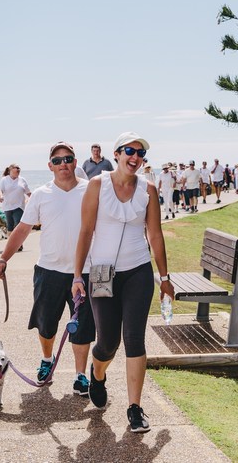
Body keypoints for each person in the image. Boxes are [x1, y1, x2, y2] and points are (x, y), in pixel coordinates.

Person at [72, 131, 174, 433]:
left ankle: (134, 408)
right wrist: (78, 276)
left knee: (134, 339)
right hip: (101, 274)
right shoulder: (97, 185)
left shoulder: (148, 189)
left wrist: (165, 278)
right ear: (116, 154)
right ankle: (98, 374)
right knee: (107, 342)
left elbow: (154, 234)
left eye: (141, 153)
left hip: (138, 273)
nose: (135, 157)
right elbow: (86, 231)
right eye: (129, 150)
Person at [0, 142, 96, 397]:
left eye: (68, 159)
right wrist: (4, 258)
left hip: (84, 272)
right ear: (50, 166)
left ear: (75, 162)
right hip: (49, 271)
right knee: (46, 325)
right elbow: (23, 229)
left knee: (82, 327)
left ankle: (80, 375)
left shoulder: (91, 190)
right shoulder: (41, 194)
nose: (64, 164)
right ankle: (47, 359)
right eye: (58, 160)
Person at [0, 163, 31, 251]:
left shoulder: (22, 180)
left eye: (19, 169)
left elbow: (28, 192)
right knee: (10, 226)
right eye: (16, 168)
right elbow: (0, 190)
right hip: (7, 206)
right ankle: (11, 245)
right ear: (10, 170)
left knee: (18, 225)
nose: (18, 170)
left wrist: (35, 199)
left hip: (19, 206)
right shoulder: (4, 180)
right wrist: (1, 196)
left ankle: (19, 244)